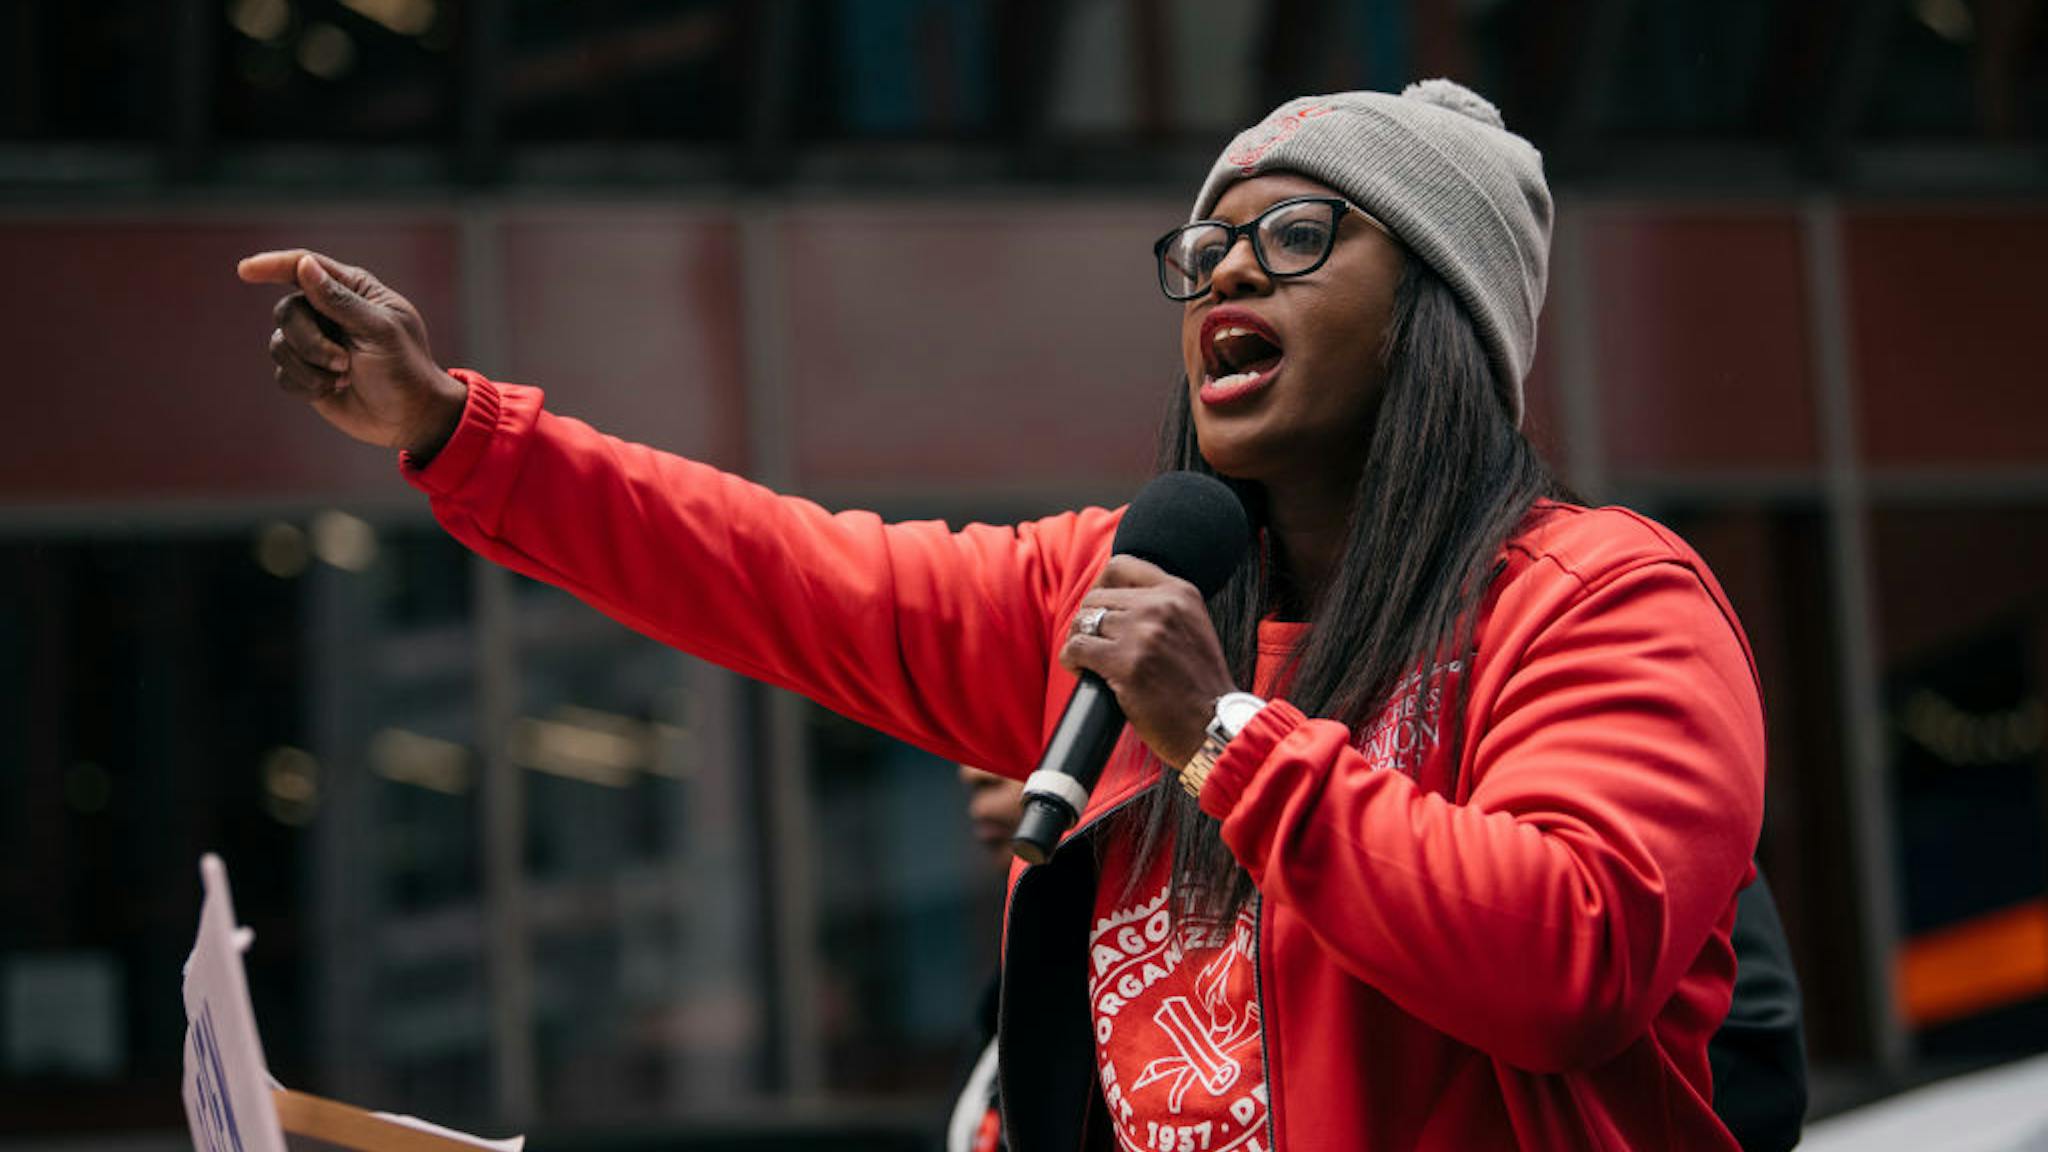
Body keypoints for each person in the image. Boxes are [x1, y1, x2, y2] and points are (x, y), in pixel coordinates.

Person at [243, 80, 1771, 1149]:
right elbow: (778, 573)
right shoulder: (1120, 588)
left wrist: (1223, 737)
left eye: (1302, 235)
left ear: (1442, 308)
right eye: (1205, 249)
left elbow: (1571, 962)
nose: (1230, 263)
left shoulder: (1599, 597)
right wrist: (453, 427)